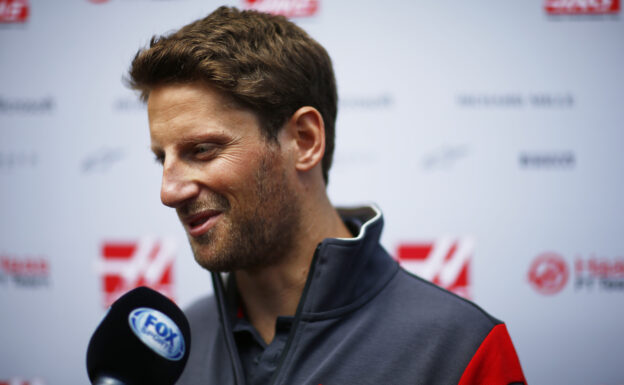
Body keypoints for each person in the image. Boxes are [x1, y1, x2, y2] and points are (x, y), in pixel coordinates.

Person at [128, 6, 527, 385]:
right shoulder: (169, 351)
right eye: (162, 158)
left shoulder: (458, 348)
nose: (169, 191)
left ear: (304, 140)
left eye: (202, 150)